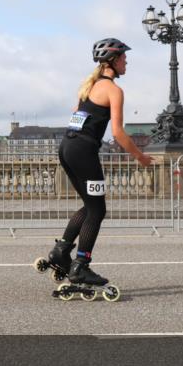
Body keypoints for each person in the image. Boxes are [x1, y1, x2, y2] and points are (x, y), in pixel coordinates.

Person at [47, 37, 153, 287]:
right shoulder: (114, 90)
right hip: (83, 152)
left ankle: (61, 252)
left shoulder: (88, 88)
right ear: (113, 60)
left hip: (67, 148)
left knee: (89, 205)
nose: (127, 62)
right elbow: (117, 132)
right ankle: (80, 266)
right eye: (124, 57)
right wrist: (140, 157)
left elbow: (77, 118)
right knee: (98, 210)